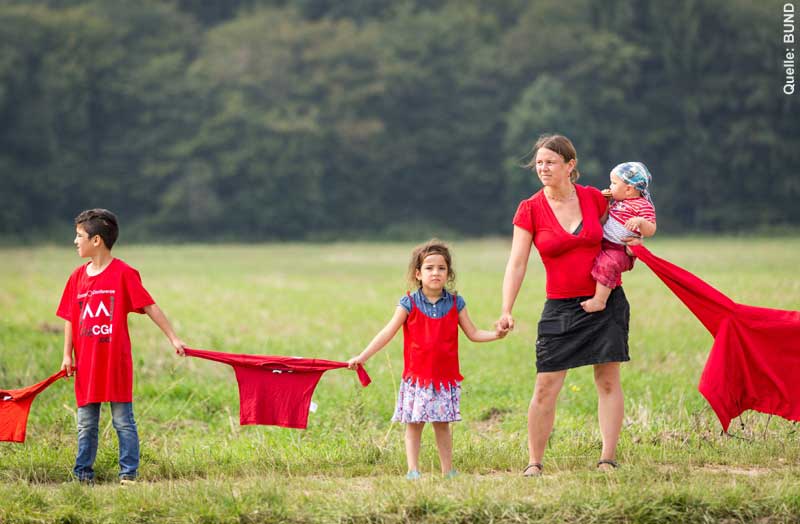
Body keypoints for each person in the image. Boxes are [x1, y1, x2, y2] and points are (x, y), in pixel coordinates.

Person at [496, 135, 639, 477]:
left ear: (570, 165)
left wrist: (636, 241)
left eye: (550, 162)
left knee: (607, 381)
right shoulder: (529, 208)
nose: (543, 168)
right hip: (560, 308)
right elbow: (517, 263)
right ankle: (534, 462)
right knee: (546, 386)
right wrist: (506, 309)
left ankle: (607, 458)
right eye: (539, 163)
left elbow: (630, 215)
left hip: (605, 303)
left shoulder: (593, 199)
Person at [347, 239, 506, 480]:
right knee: (414, 424)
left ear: (448, 274)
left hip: (444, 380)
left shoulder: (456, 303)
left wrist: (497, 334)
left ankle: (448, 471)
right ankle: (413, 470)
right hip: (417, 380)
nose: (436, 273)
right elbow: (387, 332)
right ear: (418, 274)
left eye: (441, 268)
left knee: (442, 425)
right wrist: (363, 356)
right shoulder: (408, 303)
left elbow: (473, 333)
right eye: (429, 268)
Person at [56, 209, 186, 485]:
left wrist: (173, 338)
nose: (75, 241)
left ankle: (128, 473)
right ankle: (83, 473)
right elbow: (70, 316)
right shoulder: (76, 277)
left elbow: (150, 306)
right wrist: (67, 355)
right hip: (86, 364)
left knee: (123, 421)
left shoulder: (124, 274)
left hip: (115, 362)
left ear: (97, 241)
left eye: (79, 236)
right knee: (86, 424)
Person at [581, 162, 656, 313]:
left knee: (607, 265)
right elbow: (606, 218)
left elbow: (651, 230)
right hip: (605, 243)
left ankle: (599, 301)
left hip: (620, 250)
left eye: (614, 183)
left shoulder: (643, 205)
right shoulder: (618, 203)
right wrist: (605, 201)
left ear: (628, 189)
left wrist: (640, 222)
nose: (610, 186)